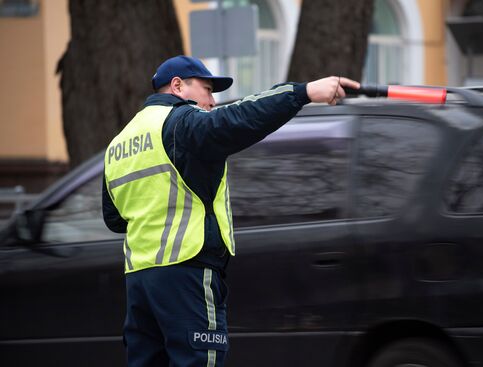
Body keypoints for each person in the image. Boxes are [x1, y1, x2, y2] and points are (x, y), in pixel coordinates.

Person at [102, 55, 359, 367]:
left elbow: (115, 218)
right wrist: (303, 93)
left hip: (139, 281)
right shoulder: (182, 124)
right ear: (178, 86)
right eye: (208, 89)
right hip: (187, 271)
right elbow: (239, 118)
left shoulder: (120, 143)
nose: (212, 101)